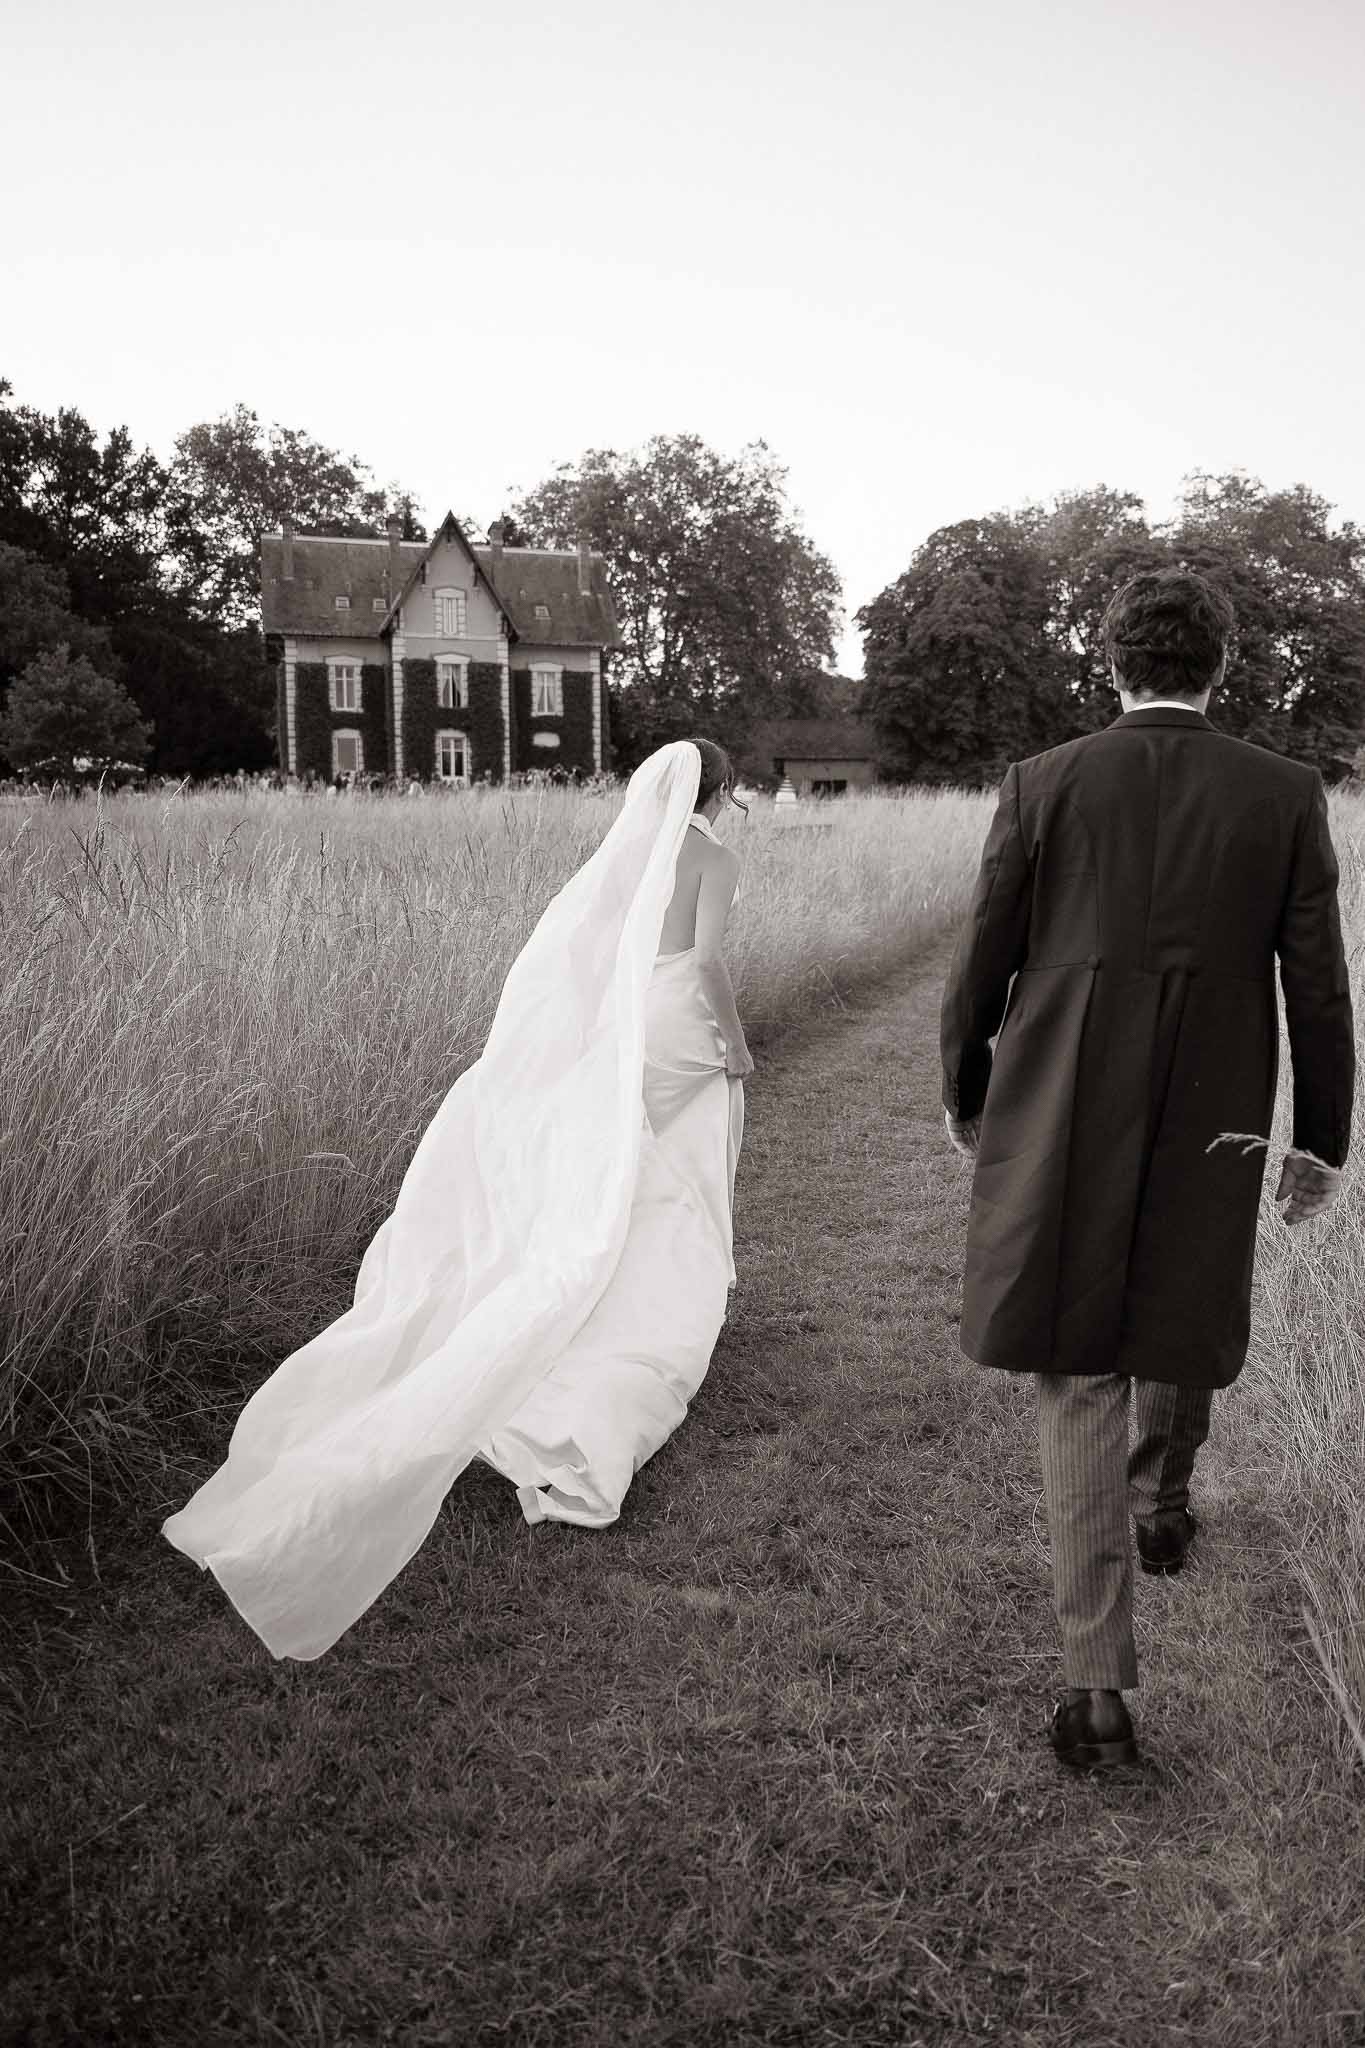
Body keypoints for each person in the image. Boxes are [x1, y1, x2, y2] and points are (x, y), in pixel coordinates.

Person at [162, 739, 752, 1659]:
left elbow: (584, 967)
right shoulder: (713, 854)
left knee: (619, 1180)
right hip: (680, 1023)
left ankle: (583, 1313)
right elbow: (707, 961)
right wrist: (738, 1045)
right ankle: (640, 1326)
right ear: (722, 793)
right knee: (676, 1176)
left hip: (624, 1032)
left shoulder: (625, 854)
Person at [940, 567, 1354, 1771]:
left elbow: (981, 960)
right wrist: (1319, 1138)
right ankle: (1165, 1504)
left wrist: (968, 1090)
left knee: (1079, 1369)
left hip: (1067, 1098)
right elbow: (1318, 986)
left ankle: (1098, 1685)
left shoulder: (1043, 783)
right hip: (1218, 1101)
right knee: (1180, 1303)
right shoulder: (1283, 793)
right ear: (1219, 665)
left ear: (1110, 659)